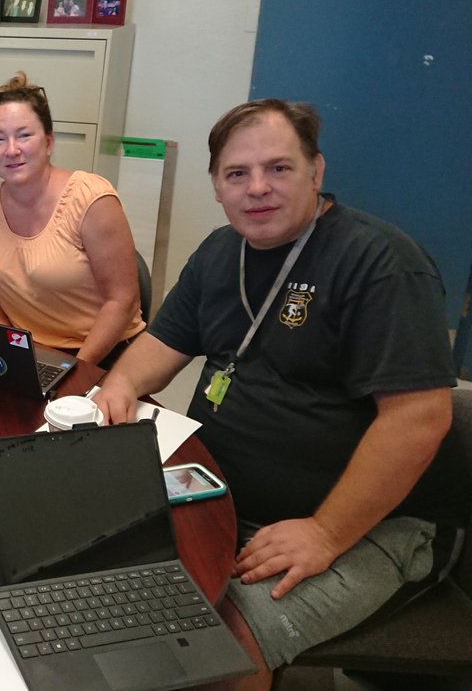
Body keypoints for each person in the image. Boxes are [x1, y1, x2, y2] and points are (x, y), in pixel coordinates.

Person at [94, 99, 468, 686]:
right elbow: (159, 348)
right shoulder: (220, 251)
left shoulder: (382, 264)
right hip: (222, 496)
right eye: (237, 174)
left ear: (317, 172)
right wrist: (119, 382)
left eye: (280, 168)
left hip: (370, 525)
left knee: (220, 653)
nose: (257, 188)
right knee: (96, 572)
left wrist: (325, 532)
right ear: (217, 186)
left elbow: (418, 418)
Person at [0, 74, 144, 367]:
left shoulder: (92, 199)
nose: (11, 150)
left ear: (49, 142)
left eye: (24, 135)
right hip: (32, 356)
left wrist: (71, 372)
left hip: (104, 354)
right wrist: (14, 357)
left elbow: (123, 301)